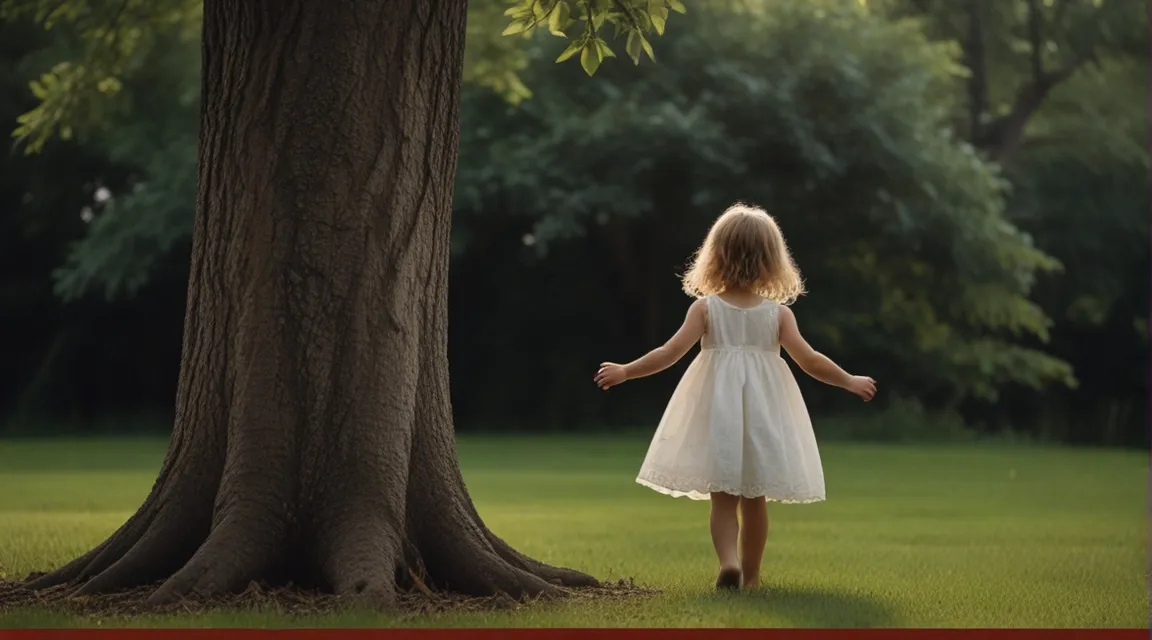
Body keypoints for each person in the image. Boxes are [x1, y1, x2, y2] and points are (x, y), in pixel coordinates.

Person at [594, 202, 877, 592]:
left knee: (723, 497)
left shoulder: (705, 309)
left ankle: (728, 562)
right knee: (755, 498)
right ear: (772, 260)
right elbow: (809, 360)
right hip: (764, 414)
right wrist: (849, 380)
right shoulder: (777, 315)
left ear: (716, 256)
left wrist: (626, 370)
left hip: (718, 412)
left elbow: (668, 353)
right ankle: (752, 575)